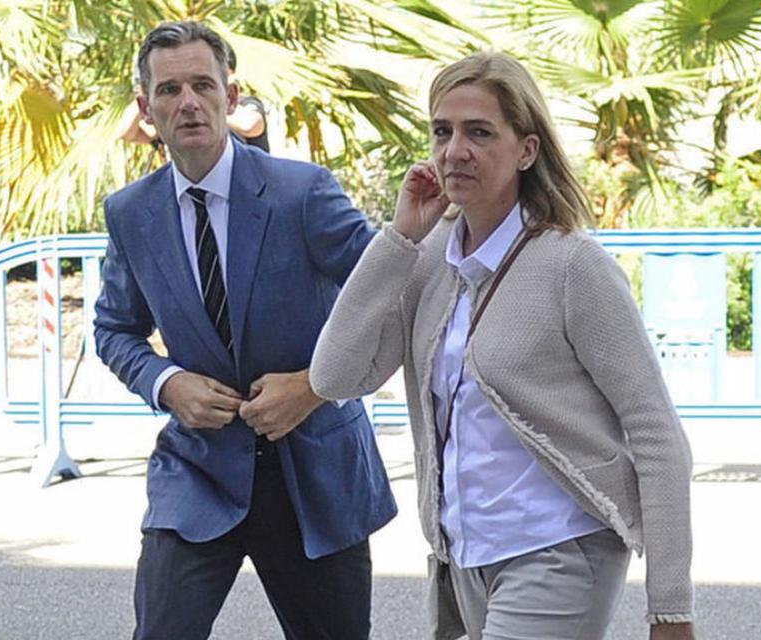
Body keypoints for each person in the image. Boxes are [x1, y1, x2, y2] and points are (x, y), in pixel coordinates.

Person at [310, 51, 695, 640]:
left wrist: (670, 610)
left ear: (527, 150)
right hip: (462, 557)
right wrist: (399, 238)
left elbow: (655, 432)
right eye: (443, 131)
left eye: (479, 132)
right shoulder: (430, 257)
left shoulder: (572, 265)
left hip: (557, 549)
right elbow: (334, 377)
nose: (454, 149)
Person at [94, 20, 396, 640]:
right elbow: (115, 330)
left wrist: (313, 386)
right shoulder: (130, 213)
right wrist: (167, 382)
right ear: (146, 109)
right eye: (169, 90)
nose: (188, 103)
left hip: (315, 473)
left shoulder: (301, 192)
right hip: (198, 472)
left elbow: (386, 300)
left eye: (203, 85)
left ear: (231, 98)